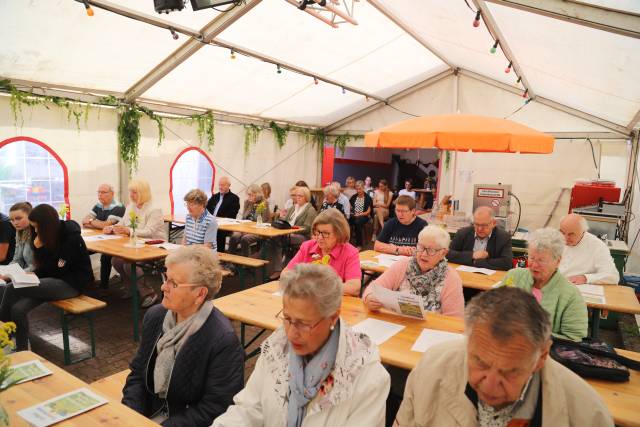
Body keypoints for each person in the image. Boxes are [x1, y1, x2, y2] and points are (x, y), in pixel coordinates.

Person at [394, 287, 613, 426]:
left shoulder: (588, 415)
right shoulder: (432, 367)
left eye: (510, 372)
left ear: (542, 357)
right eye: (480, 362)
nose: (489, 386)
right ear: (467, 341)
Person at [213, 264, 390, 426]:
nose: (290, 333)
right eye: (287, 319)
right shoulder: (276, 348)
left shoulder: (366, 376)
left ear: (333, 317)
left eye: (304, 324)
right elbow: (248, 410)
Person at [122, 246, 244, 427]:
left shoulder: (222, 340)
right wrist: (130, 414)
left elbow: (215, 408)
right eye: (165, 278)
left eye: (174, 283)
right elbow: (138, 374)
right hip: (149, 416)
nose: (163, 287)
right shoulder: (156, 316)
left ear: (200, 294)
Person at [0, 204, 92, 351]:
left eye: (37, 227)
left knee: (12, 288)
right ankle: (22, 349)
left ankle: (3, 338)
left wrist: (39, 249)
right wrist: (35, 273)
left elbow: (58, 270)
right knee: (18, 309)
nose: (35, 231)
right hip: (49, 283)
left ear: (47, 225)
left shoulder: (71, 238)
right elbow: (44, 267)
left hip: (70, 284)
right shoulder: (45, 234)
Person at [501, 228, 587, 341]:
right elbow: (495, 308)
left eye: (541, 260)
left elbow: (574, 338)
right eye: (531, 258)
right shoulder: (513, 276)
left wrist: (528, 336)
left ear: (558, 261)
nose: (534, 265)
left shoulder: (571, 295)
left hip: (546, 352)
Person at [364, 225, 464, 318]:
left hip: (431, 332)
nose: (423, 254)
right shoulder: (403, 265)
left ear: (443, 253)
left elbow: (454, 320)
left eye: (431, 250)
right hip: (397, 324)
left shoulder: (451, 278)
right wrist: (370, 297)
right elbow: (373, 288)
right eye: (421, 247)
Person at [105, 179, 165, 308]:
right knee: (116, 260)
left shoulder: (154, 209)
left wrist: (128, 230)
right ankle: (131, 288)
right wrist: (112, 228)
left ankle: (149, 293)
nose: (131, 195)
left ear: (143, 193)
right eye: (130, 192)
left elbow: (150, 231)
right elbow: (123, 223)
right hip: (137, 245)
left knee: (129, 265)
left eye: (134, 192)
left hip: (154, 246)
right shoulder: (130, 206)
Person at [284, 208, 361, 296]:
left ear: (339, 234)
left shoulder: (349, 252)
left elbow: (354, 288)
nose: (320, 237)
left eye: (325, 233)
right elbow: (285, 274)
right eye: (317, 232)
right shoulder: (308, 246)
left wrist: (319, 287)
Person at [82, 183, 126, 288]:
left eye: (103, 192)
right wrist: (97, 224)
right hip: (99, 239)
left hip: (115, 240)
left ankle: (104, 286)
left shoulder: (118, 207)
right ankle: (88, 280)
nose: (100, 195)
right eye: (99, 192)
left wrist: (92, 221)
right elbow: (84, 221)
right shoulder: (98, 205)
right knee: (81, 251)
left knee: (106, 257)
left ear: (112, 194)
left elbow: (106, 225)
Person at [558, 213, 619, 284]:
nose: (565, 238)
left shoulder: (597, 246)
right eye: (562, 232)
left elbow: (612, 276)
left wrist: (585, 278)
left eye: (571, 234)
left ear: (583, 231)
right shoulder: (556, 239)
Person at [447, 206, 513, 271]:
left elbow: (507, 263)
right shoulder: (463, 233)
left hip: (490, 279)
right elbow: (448, 254)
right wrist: (472, 255)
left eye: (484, 225)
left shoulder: (503, 237)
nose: (479, 229)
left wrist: (476, 262)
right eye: (476, 224)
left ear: (494, 223)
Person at [271, 186, 318, 275]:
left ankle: (281, 268)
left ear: (306, 197)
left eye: (300, 196)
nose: (298, 198)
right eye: (297, 196)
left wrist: (292, 229)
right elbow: (286, 221)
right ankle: (282, 266)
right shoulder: (293, 207)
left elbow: (307, 228)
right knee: (274, 239)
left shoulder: (310, 210)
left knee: (279, 239)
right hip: (288, 233)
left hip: (303, 236)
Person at [228, 184, 270, 257]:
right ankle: (230, 260)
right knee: (234, 237)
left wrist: (249, 230)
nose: (249, 197)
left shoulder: (264, 203)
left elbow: (263, 221)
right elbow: (244, 218)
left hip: (258, 230)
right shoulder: (247, 202)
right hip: (245, 229)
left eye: (251, 195)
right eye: (248, 195)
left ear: (257, 194)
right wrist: (242, 229)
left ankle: (246, 263)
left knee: (245, 239)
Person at [206, 177, 240, 253]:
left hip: (225, 225)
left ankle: (219, 255)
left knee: (218, 231)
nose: (220, 187)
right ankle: (205, 253)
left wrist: (218, 219)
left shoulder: (234, 198)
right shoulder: (215, 196)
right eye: (220, 185)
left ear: (229, 185)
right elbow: (206, 208)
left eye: (223, 185)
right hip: (211, 222)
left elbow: (232, 215)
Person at [8, 202, 34, 271]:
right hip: (25, 272)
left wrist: (16, 274)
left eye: (19, 218)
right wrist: (6, 271)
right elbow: (17, 260)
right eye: (12, 220)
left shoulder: (37, 233)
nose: (15, 223)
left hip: (37, 274)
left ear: (30, 216)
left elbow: (37, 266)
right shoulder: (19, 232)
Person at [348, 180, 373, 248]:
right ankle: (347, 241)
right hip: (355, 215)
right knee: (345, 221)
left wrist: (359, 215)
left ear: (363, 188)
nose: (358, 191)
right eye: (357, 189)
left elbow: (368, 212)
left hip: (364, 216)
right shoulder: (354, 196)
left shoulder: (368, 198)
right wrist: (350, 212)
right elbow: (349, 206)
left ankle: (359, 244)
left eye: (360, 189)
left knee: (357, 223)